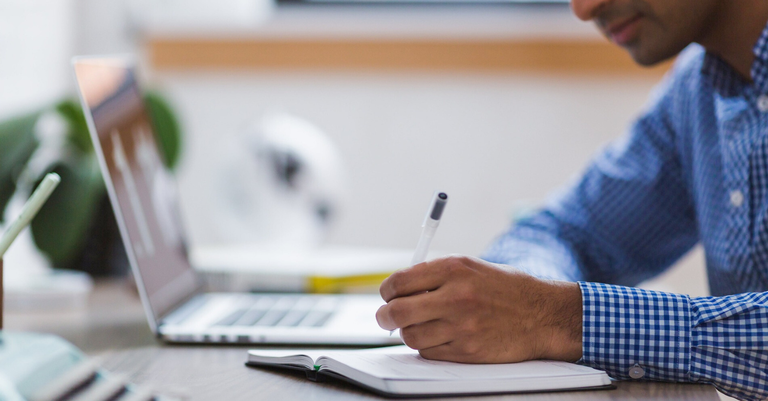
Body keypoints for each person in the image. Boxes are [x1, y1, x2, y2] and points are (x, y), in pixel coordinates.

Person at [374, 1, 768, 400]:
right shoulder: (697, 88)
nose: (584, 9)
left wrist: (559, 318)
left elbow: (552, 307)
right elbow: (565, 231)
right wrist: (520, 298)